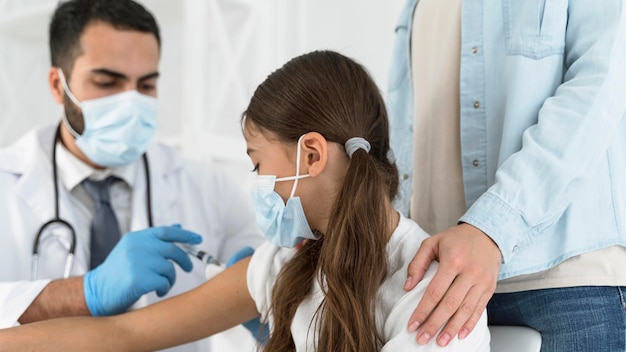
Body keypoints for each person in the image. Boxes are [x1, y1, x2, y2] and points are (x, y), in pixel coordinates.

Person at [0, 50, 492, 351]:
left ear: (312, 153)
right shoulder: (282, 265)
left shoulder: (431, 293)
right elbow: (122, 336)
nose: (255, 181)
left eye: (258, 163)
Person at [0, 0, 264, 351]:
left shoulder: (210, 189)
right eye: (108, 82)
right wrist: (86, 293)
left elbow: (284, 302)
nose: (131, 102)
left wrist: (272, 312)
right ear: (56, 85)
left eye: (146, 85)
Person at [389, 0, 626, 350]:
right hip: (440, 286)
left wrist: (492, 228)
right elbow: (402, 134)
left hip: (563, 285)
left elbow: (600, 87)